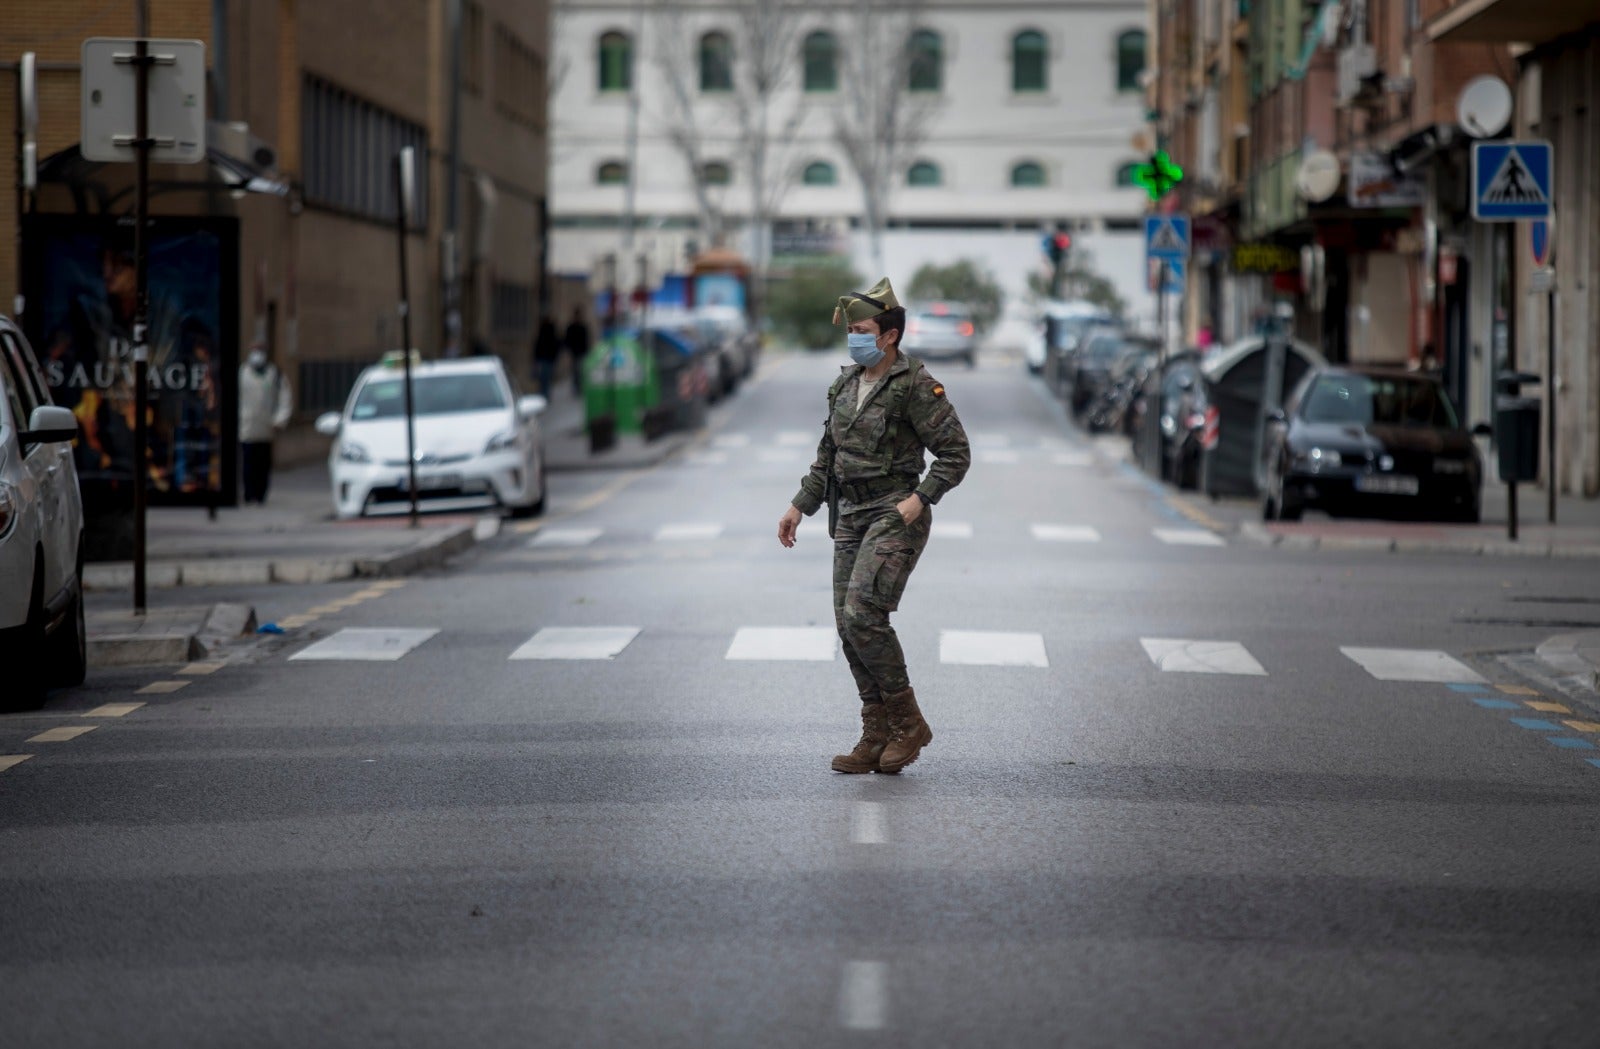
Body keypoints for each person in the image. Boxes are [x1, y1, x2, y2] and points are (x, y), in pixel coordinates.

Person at [777, 277, 971, 774]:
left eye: (862, 330)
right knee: (847, 625)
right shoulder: (845, 383)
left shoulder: (914, 385)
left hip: (893, 511)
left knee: (863, 613)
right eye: (852, 331)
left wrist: (920, 499)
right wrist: (800, 504)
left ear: (888, 335)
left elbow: (955, 454)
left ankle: (909, 724)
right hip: (849, 514)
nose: (853, 338)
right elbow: (828, 456)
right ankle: (876, 730)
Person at [238, 344, 292, 504]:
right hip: (246, 428)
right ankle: (249, 494)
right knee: (248, 463)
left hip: (266, 428)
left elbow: (285, 398)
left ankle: (260, 494)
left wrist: (280, 419)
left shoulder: (273, 374)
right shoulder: (242, 373)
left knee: (263, 464)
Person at [563, 308, 592, 396]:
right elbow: (567, 340)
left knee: (580, 371)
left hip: (581, 352)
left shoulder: (582, 327)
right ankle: (577, 388)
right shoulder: (572, 327)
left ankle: (579, 387)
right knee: (575, 371)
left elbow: (586, 340)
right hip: (575, 353)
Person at [533, 315, 561, 399]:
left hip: (545, 358)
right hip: (548, 358)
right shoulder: (550, 331)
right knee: (546, 378)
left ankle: (544, 394)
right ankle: (545, 394)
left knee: (544, 378)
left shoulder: (544, 331)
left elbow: (538, 346)